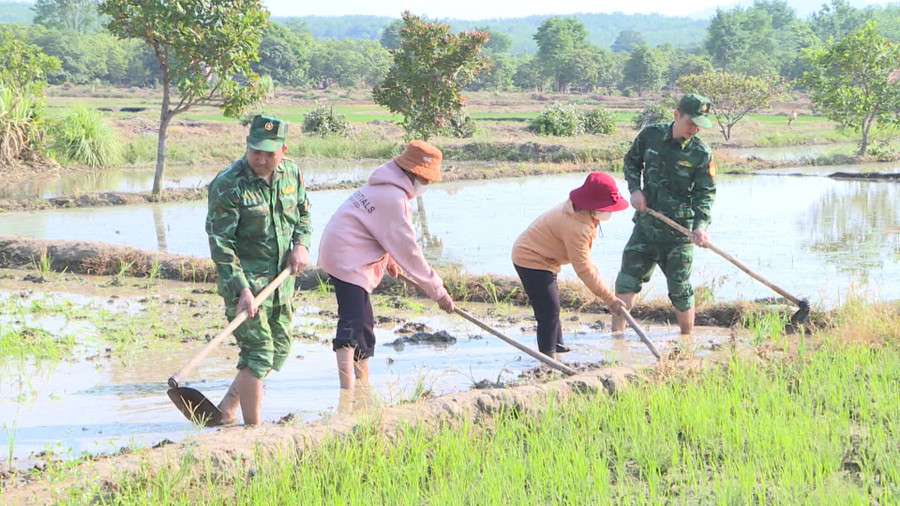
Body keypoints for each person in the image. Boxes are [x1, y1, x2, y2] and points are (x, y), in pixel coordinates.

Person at [318, 140, 455, 391]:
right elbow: (409, 250)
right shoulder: (394, 197)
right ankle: (346, 391)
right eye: (425, 180)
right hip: (348, 258)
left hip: (344, 250)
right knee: (351, 322)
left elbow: (378, 227)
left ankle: (363, 384)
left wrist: (389, 259)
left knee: (364, 326)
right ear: (414, 174)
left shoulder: (386, 183)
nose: (426, 185)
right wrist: (437, 290)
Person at [205, 114, 311, 425]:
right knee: (259, 352)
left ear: (283, 150)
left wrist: (301, 245)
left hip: (280, 285)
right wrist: (242, 289)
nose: (261, 160)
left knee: (277, 350)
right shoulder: (229, 184)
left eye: (269, 153)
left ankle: (225, 409)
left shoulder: (292, 174)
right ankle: (253, 429)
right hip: (245, 287)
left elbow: (304, 215)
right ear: (247, 146)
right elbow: (221, 244)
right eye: (255, 152)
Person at [611, 93, 716, 336]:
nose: (695, 128)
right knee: (626, 281)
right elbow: (631, 162)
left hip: (679, 234)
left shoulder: (701, 153)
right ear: (676, 114)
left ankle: (687, 341)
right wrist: (635, 190)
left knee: (680, 290)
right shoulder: (651, 135)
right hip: (646, 227)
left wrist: (701, 226)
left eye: (699, 124)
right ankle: (616, 338)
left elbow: (705, 193)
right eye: (691, 122)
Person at [511, 172, 629, 358]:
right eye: (607, 207)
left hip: (546, 259)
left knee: (552, 305)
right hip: (531, 259)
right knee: (548, 308)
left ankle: (557, 346)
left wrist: (595, 273)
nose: (609, 212)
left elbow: (585, 259)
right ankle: (548, 356)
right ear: (593, 205)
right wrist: (610, 299)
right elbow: (583, 269)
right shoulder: (576, 226)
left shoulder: (580, 211)